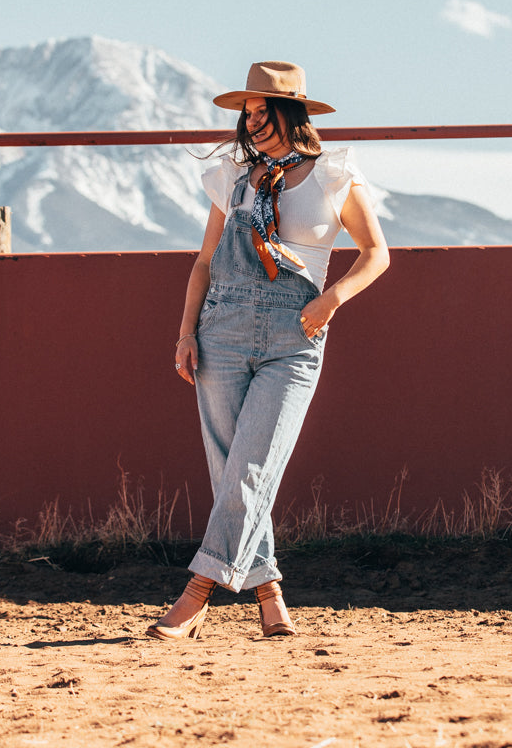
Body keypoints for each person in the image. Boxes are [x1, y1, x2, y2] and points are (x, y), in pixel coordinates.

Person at [147, 61, 390, 640]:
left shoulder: (334, 175)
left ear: (291, 113)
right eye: (247, 114)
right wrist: (186, 332)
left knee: (254, 466)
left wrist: (331, 301)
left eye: (263, 111)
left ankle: (196, 592)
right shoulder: (233, 179)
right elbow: (204, 262)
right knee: (232, 472)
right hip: (220, 331)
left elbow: (376, 254)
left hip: (294, 337)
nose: (253, 123)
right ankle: (270, 594)